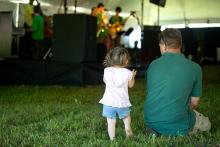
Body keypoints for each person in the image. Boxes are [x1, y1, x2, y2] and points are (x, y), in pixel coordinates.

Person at [144, 28, 211, 136]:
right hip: (179, 122)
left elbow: (153, 92)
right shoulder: (195, 68)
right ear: (180, 45)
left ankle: (156, 129)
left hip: (151, 120)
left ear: (164, 46)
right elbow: (195, 102)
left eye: (160, 45)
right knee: (207, 124)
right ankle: (179, 128)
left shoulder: (153, 65)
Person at [99, 46, 137, 140]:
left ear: (111, 59)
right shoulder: (128, 72)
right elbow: (130, 85)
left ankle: (113, 139)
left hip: (109, 103)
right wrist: (132, 77)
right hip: (122, 103)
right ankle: (127, 128)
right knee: (126, 117)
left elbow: (105, 81)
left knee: (111, 122)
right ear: (126, 61)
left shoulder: (107, 70)